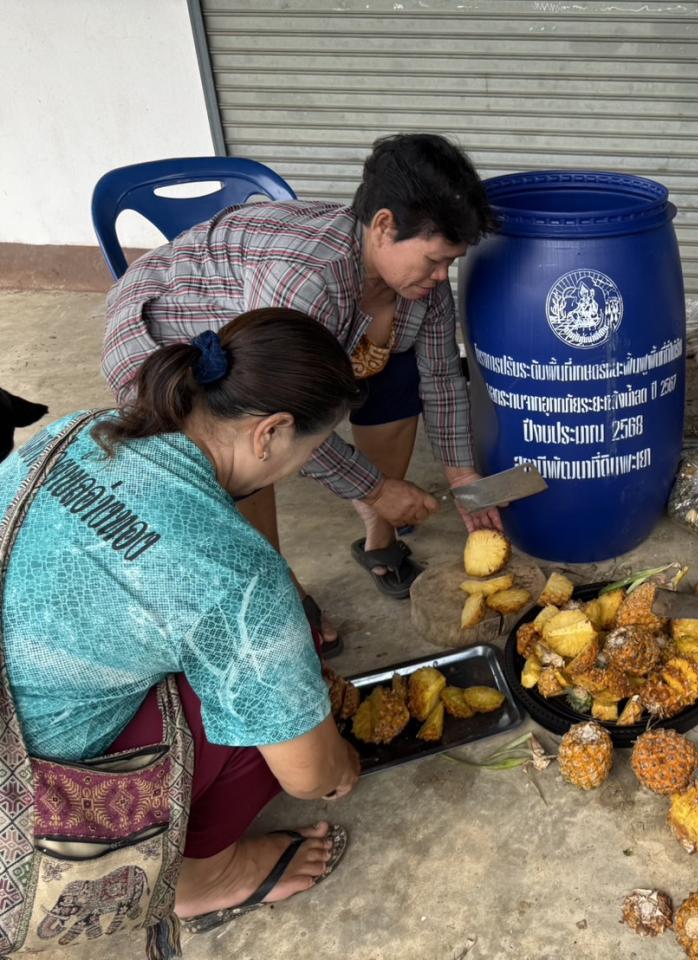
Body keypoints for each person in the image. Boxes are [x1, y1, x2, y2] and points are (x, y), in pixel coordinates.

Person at [0, 310, 363, 929]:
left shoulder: (81, 429)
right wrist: (339, 765)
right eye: (311, 450)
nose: (302, 467)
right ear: (271, 433)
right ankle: (203, 876)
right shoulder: (236, 575)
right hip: (27, 804)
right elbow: (308, 776)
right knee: (281, 676)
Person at [102, 133, 501, 653]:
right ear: (384, 226)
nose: (441, 275)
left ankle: (379, 534)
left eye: (451, 261)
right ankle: (277, 585)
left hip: (296, 344)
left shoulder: (420, 287)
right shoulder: (305, 281)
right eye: (432, 260)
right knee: (243, 453)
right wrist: (374, 487)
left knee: (401, 373)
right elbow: (277, 411)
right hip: (173, 333)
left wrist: (462, 475)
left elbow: (444, 380)